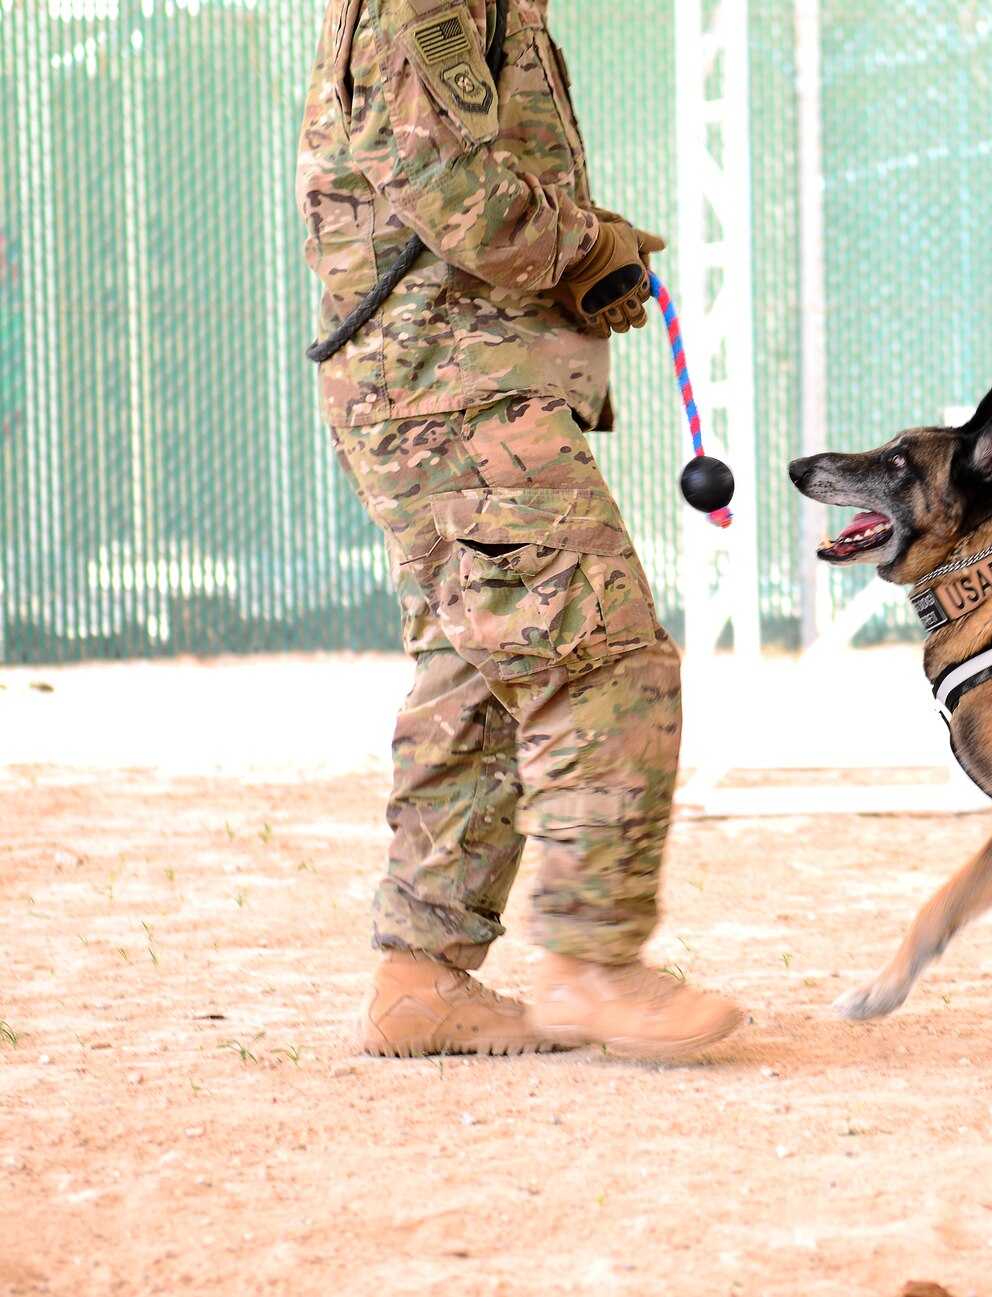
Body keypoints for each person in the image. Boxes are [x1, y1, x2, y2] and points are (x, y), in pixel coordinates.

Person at [295, 0, 742, 1060]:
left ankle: (420, 976)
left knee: (480, 670)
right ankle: (592, 963)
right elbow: (443, 179)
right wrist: (581, 248)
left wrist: (587, 259)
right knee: (600, 659)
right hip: (453, 388)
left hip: (445, 382)